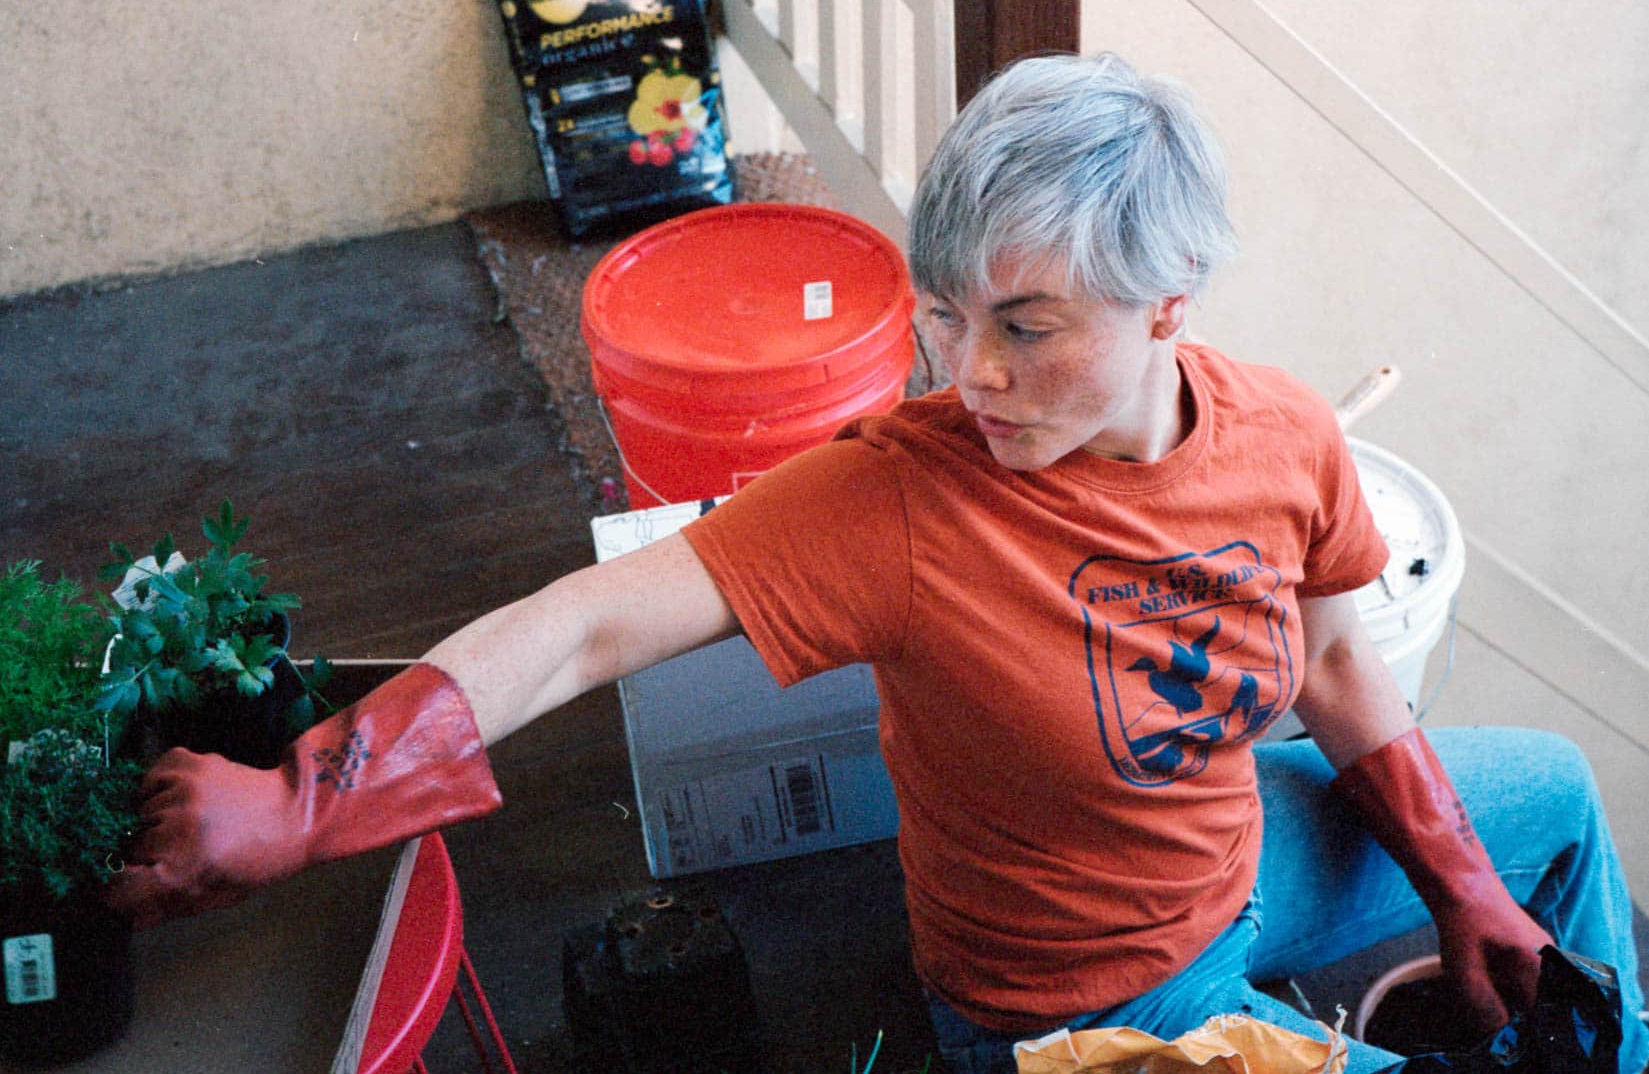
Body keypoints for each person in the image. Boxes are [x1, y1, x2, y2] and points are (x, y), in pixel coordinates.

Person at [106, 53, 1646, 1073]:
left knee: (1558, 804)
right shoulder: (899, 499)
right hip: (1077, 1001)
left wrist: (1456, 879)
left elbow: (1321, 658)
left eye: (1025, 326)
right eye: (944, 310)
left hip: (1242, 867)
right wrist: (308, 797)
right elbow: (581, 632)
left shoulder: (1277, 436)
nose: (964, 369)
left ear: (1167, 301)